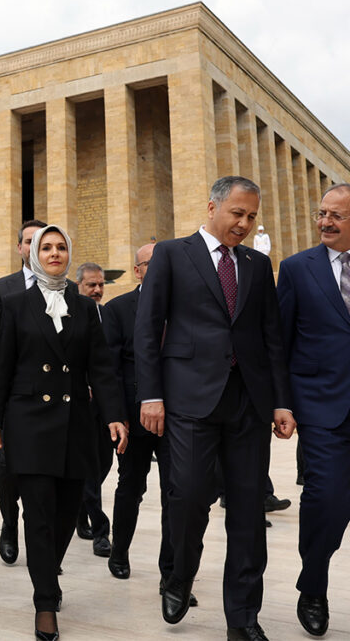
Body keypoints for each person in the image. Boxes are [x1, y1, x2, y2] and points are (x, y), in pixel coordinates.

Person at [134, 175, 295, 641]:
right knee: (186, 497)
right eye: (237, 214)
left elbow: (271, 339)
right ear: (212, 207)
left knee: (247, 511)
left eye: (251, 217)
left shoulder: (258, 266)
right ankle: (179, 576)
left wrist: (281, 402)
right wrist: (151, 394)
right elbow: (148, 329)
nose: (244, 224)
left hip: (248, 404)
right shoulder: (171, 254)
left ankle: (243, 618)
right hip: (188, 401)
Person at [0, 225, 127, 641]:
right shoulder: (14, 304)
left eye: (60, 247)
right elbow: (2, 368)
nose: (53, 253)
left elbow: (100, 366)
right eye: (45, 247)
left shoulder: (84, 308)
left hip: (74, 424)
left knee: (66, 514)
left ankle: (47, 571)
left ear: (69, 254)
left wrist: (114, 414)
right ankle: (45, 601)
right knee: (39, 514)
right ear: (33, 254)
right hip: (28, 423)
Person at [102, 243, 201, 606]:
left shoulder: (185, 305)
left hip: (179, 417)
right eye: (152, 264)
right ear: (139, 270)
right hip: (134, 415)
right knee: (131, 486)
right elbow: (109, 370)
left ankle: (170, 576)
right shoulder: (117, 309)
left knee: (177, 493)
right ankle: (119, 551)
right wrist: (117, 417)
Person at [277, 182, 350, 637]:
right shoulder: (296, 269)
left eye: (336, 216)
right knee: (326, 500)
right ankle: (313, 587)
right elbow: (280, 342)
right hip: (323, 408)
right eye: (322, 214)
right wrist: (282, 402)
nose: (325, 222)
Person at [0, 219, 47, 564]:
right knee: (8, 466)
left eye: (42, 241)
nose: (35, 247)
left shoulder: (65, 287)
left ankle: (42, 538)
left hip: (50, 392)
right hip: (13, 390)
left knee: (46, 468)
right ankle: (9, 521)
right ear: (20, 247)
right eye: (30, 241)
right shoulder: (4, 288)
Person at [73, 262, 113, 558]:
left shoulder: (108, 313)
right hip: (82, 403)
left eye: (100, 285)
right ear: (79, 286)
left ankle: (79, 507)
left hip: (106, 403)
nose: (97, 290)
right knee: (88, 466)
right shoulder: (72, 313)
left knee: (105, 462)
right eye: (91, 285)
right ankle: (100, 529)